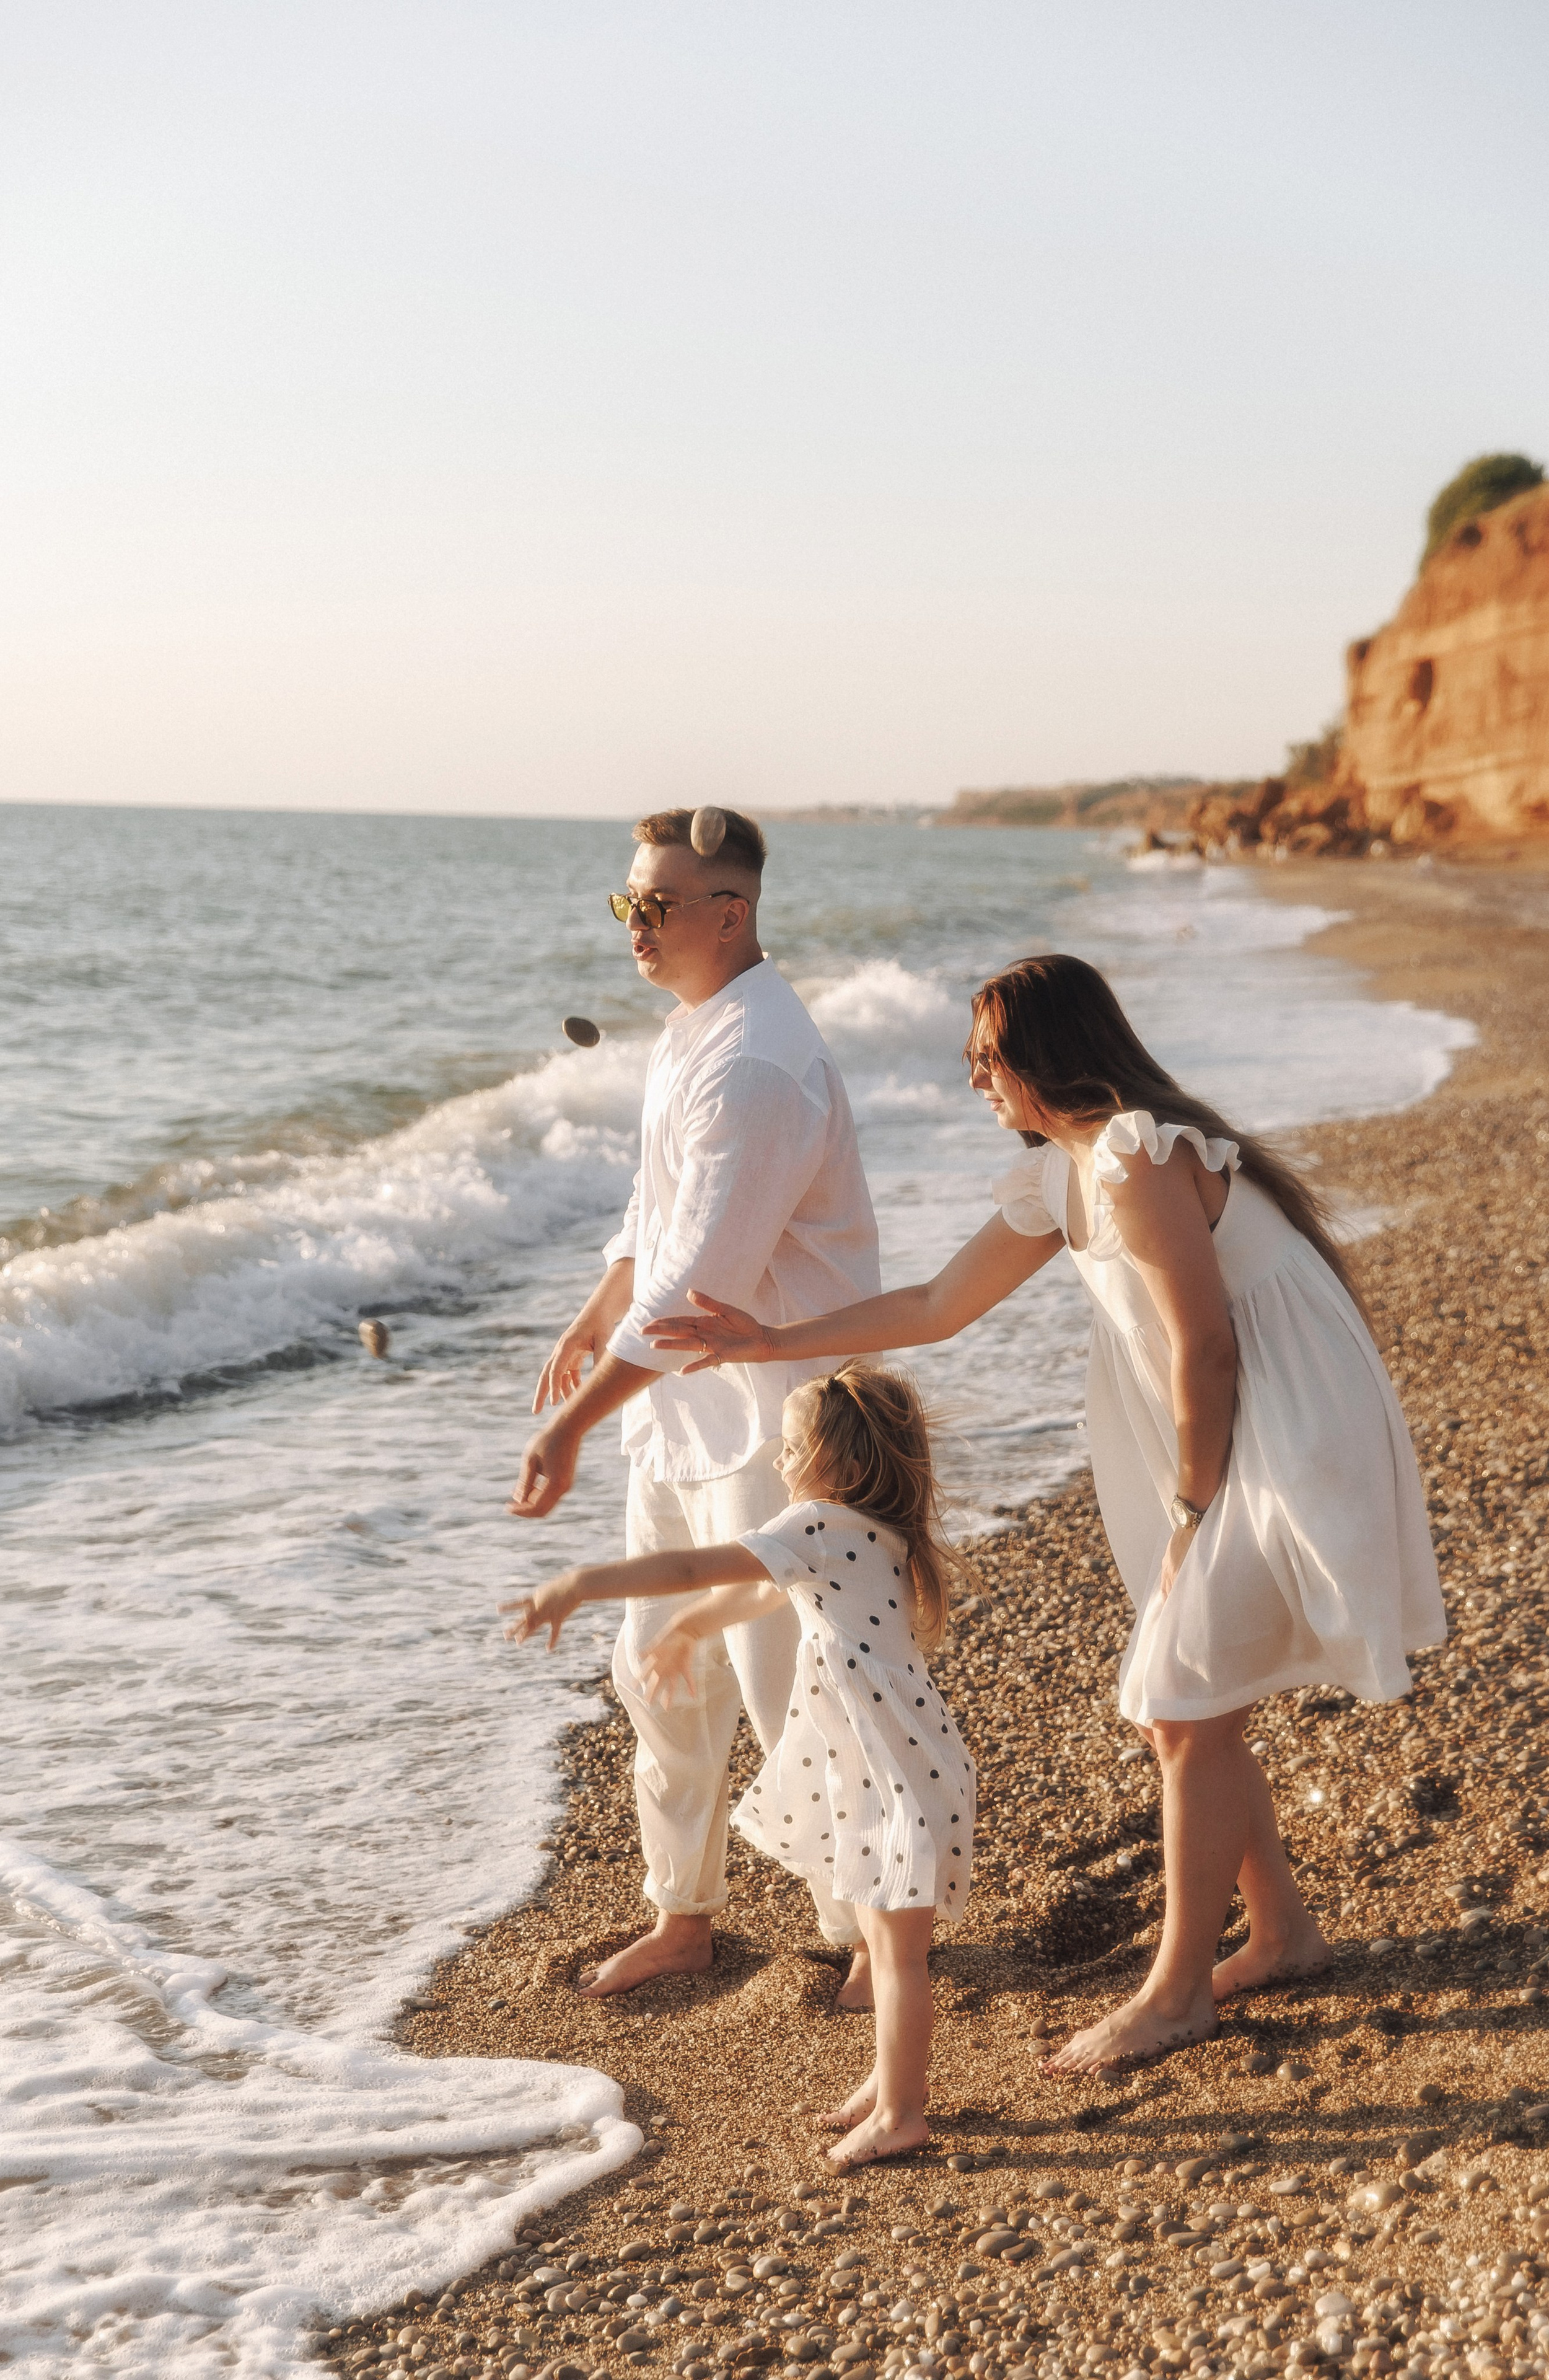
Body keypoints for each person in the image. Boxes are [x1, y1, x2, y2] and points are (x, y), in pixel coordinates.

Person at [643, 952, 1446, 2074]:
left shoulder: (1134, 1155)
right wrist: (769, 1341)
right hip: (1229, 1415)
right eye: (970, 1057)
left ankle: (1176, 1993)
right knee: (1197, 1691)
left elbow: (1210, 1345)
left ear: (1049, 1058)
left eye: (989, 1057)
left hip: (1284, 1417)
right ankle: (1283, 1933)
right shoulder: (1063, 1175)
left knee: (1180, 1701)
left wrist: (1191, 1508)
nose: (975, 1077)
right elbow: (936, 1306)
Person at [508, 805, 880, 2001]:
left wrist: (571, 1424)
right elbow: (650, 1223)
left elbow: (697, 1286)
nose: (634, 924)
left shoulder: (764, 1062)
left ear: (733, 913)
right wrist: (585, 1315)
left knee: (788, 1681)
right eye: (626, 901)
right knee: (652, 1668)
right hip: (679, 1423)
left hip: (779, 1420)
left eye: (656, 904)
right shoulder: (691, 1032)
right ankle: (684, 1913)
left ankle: (865, 1931)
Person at [504, 1362, 973, 2167]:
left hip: (892, 1778)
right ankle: (890, 2084)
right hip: (902, 1767)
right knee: (885, 1938)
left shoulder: (818, 1526)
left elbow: (697, 1566)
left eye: (791, 1449)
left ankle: (903, 2112)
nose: (777, 1464)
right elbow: (756, 1595)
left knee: (896, 1955)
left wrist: (582, 1583)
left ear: (845, 1467)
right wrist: (690, 1628)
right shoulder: (872, 1531)